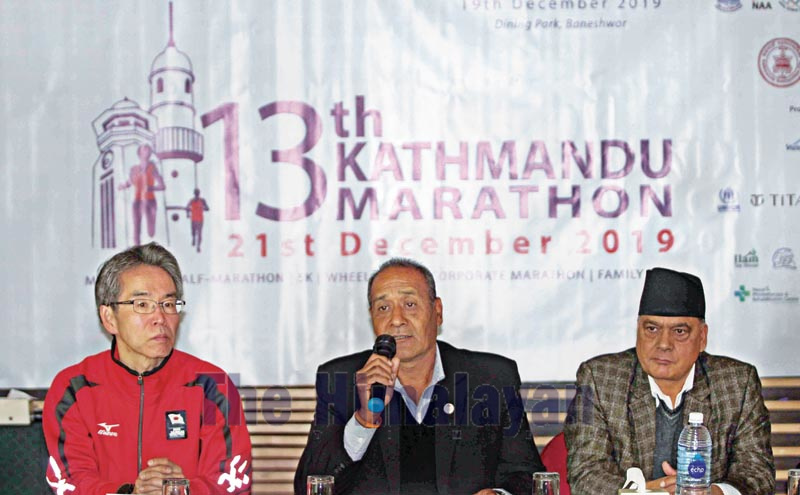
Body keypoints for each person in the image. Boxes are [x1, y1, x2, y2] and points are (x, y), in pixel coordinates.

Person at [294, 258, 543, 494]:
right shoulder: (340, 379)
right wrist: (364, 418)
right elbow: (311, 486)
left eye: (410, 304)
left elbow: (527, 476)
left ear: (437, 311)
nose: (397, 320)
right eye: (383, 307)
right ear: (372, 318)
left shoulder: (490, 378)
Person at [43, 242, 252, 495]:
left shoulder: (213, 385)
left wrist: (182, 490)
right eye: (142, 305)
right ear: (109, 317)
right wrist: (129, 493)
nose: (160, 318)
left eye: (168, 304)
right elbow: (69, 482)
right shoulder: (74, 388)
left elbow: (234, 480)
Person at [564, 267, 774, 495]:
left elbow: (758, 474)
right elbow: (585, 473)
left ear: (702, 337)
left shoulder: (737, 383)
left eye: (680, 331)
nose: (664, 343)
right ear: (638, 331)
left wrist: (712, 493)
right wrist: (646, 492)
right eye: (652, 329)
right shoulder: (600, 379)